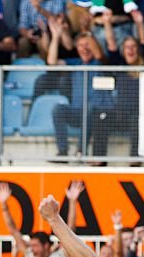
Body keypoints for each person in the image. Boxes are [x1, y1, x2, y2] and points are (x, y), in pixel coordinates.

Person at [48, 25, 115, 161]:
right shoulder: (75, 63)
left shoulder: (100, 63)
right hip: (77, 113)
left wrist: (88, 33)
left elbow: (99, 54)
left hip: (97, 114)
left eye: (87, 45)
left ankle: (81, 150)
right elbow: (52, 63)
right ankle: (63, 152)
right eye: (80, 45)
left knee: (90, 108)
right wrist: (55, 36)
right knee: (58, 109)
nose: (84, 49)